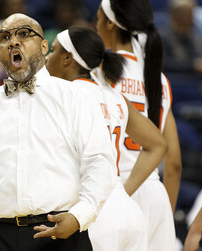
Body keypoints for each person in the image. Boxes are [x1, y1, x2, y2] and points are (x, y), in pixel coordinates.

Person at [0, 13, 118, 251]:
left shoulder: (75, 97)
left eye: (24, 34)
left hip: (60, 233)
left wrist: (79, 216)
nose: (13, 42)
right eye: (5, 37)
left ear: (44, 46)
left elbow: (100, 163)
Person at [46, 25, 168, 250]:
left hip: (92, 214)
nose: (46, 58)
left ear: (67, 59)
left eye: (52, 50)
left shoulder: (64, 95)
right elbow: (158, 144)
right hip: (127, 211)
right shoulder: (115, 95)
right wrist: (121, 190)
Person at [95, 0, 182, 250]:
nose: (96, 24)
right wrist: (165, 214)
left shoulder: (99, 72)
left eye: (99, 18)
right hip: (155, 195)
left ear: (110, 23)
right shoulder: (159, 78)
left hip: (115, 191)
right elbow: (174, 163)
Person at [160, 0, 202, 74]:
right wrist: (192, 66)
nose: (191, 17)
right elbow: (163, 63)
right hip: (174, 82)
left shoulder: (195, 39)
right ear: (175, 14)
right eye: (187, 13)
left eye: (191, 13)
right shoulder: (162, 37)